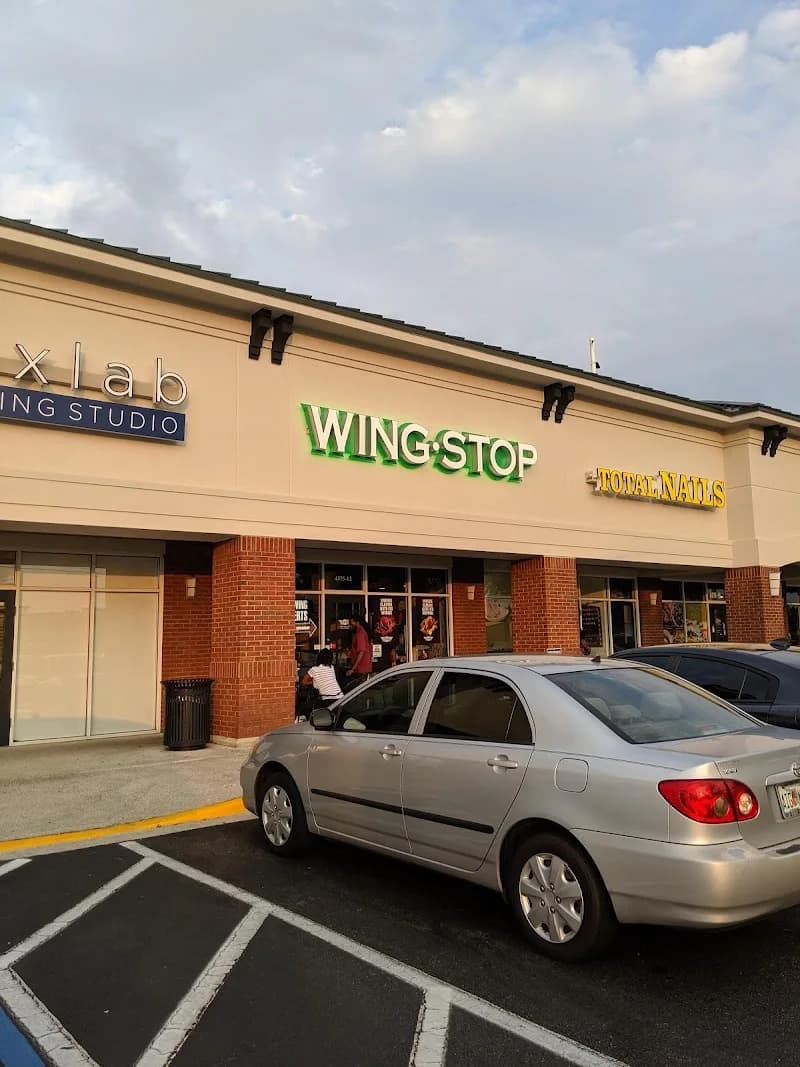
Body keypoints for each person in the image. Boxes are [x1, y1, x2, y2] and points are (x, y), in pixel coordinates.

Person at [347, 609, 373, 683]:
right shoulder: (359, 632)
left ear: (357, 623)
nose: (350, 626)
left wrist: (353, 669)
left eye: (351, 624)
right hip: (361, 668)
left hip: (361, 668)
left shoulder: (360, 633)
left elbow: (361, 652)